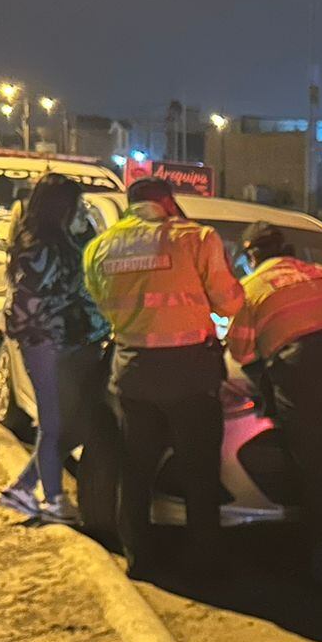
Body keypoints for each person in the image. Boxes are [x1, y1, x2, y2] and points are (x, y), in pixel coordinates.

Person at [83, 176, 244, 573]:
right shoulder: (196, 238)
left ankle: (139, 558)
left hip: (133, 369)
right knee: (200, 473)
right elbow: (228, 304)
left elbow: (100, 304)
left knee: (135, 469)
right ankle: (206, 561)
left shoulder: (100, 247)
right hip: (189, 372)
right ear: (168, 203)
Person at [226, 222, 322, 588]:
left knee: (318, 465)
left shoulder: (251, 287)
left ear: (252, 256)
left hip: (305, 373)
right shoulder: (320, 274)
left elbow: (241, 351)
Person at [0, 173, 111, 524]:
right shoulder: (43, 247)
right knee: (56, 424)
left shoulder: (41, 241)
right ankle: (53, 501)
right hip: (53, 345)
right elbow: (39, 300)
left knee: (67, 424)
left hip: (57, 343)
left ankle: (24, 488)